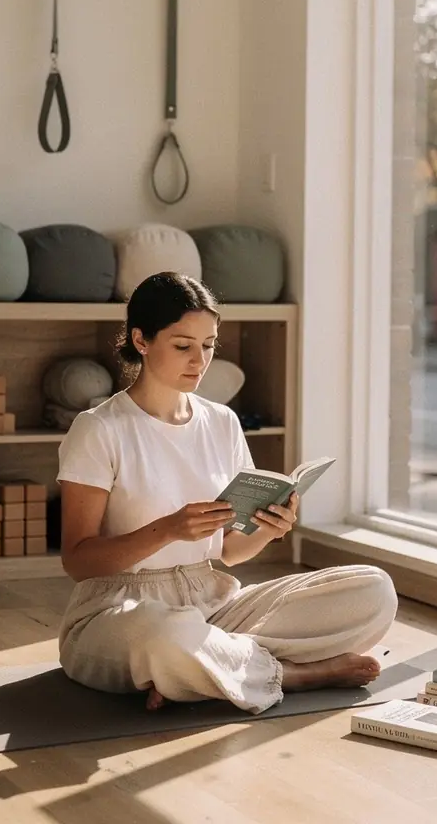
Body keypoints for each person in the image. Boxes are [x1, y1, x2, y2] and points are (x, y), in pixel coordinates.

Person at [55, 271, 397, 714]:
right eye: (183, 346)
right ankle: (293, 674)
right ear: (141, 340)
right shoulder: (99, 429)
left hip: (211, 601)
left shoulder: (222, 422)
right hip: (121, 610)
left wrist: (271, 528)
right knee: (166, 635)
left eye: (209, 345)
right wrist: (167, 530)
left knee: (373, 591)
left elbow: (231, 553)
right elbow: (78, 562)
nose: (199, 360)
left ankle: (204, 668)